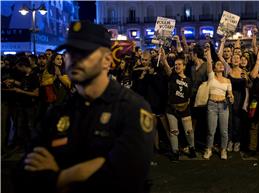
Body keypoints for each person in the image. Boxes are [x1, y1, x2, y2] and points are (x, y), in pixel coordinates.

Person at [15, 21, 155, 193]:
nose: (74, 58)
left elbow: (126, 177)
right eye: (70, 52)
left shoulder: (132, 108)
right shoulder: (59, 112)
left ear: (107, 60)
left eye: (84, 53)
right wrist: (89, 169)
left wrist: (58, 177)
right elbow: (24, 175)